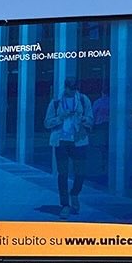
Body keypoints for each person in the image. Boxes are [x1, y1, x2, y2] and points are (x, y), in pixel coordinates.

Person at [44, 77, 93, 217]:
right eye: (70, 89)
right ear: (65, 88)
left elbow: (91, 119)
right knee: (63, 174)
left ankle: (75, 193)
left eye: (74, 89)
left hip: (79, 141)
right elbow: (47, 123)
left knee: (81, 173)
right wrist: (61, 118)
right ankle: (65, 204)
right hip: (61, 142)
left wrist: (84, 119)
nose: (72, 92)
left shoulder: (84, 100)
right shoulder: (56, 103)